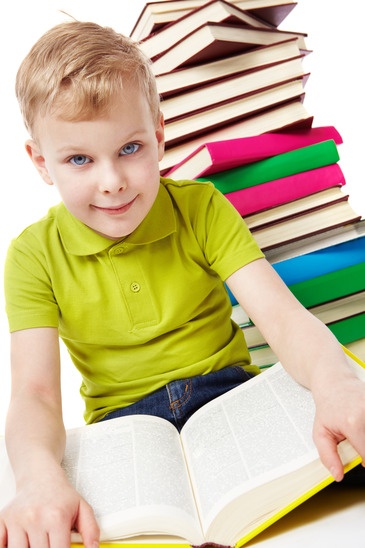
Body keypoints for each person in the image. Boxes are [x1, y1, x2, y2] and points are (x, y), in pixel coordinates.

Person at [0, 20, 364, 548]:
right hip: (124, 430)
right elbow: (34, 394)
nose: (112, 181)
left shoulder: (201, 208)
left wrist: (335, 384)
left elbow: (282, 318)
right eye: (79, 159)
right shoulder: (32, 255)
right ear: (41, 163)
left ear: (159, 135)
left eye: (130, 148)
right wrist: (37, 479)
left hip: (231, 396)